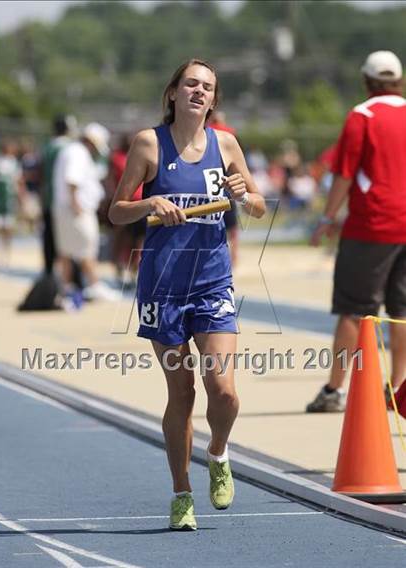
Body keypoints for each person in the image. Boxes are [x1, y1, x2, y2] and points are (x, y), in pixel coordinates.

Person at [109, 59, 266, 530]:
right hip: (163, 287)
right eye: (191, 84)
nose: (199, 92)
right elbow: (116, 212)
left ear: (214, 100)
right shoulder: (147, 144)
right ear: (173, 92)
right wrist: (148, 202)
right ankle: (182, 493)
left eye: (208, 87)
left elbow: (258, 206)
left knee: (225, 392)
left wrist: (244, 194)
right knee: (182, 391)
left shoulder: (226, 144)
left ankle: (217, 453)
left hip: (212, 284)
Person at [307, 50, 406, 413]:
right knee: (401, 310)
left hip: (372, 226)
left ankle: (335, 389)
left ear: (366, 81)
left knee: (353, 310)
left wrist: (326, 219)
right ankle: (396, 388)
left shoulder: (361, 116)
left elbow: (344, 174)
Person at [53, 122, 119, 301]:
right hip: (77, 209)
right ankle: (94, 284)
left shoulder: (71, 150)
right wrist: (77, 206)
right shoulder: (78, 153)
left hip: (66, 208)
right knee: (86, 249)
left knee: (67, 250)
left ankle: (67, 287)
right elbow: (72, 180)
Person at [106, 133, 145, 288]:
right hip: (125, 203)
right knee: (122, 240)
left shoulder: (140, 155)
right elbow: (110, 180)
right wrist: (111, 198)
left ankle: (135, 272)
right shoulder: (116, 157)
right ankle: (119, 269)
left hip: (141, 204)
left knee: (140, 240)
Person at [40, 115, 76, 275]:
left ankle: (49, 270)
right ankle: (69, 275)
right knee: (66, 239)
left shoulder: (47, 146)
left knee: (48, 236)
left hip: (48, 198)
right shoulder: (69, 147)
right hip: (64, 200)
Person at [208, 110, 239, 266]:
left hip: (214, 182)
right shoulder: (227, 132)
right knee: (232, 226)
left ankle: (231, 256)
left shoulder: (207, 130)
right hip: (224, 182)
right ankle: (234, 257)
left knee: (218, 223)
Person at [0, 139, 24, 267]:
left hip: (8, 201)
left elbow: (19, 183)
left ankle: (5, 256)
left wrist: (21, 200)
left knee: (8, 229)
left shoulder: (14, 164)